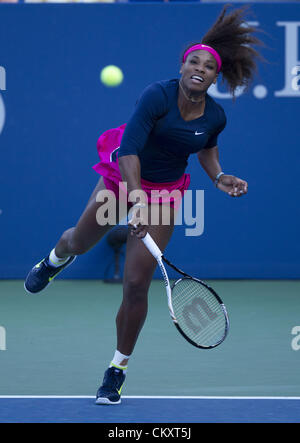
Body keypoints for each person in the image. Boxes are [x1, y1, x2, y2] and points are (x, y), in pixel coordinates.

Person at [24, 5, 262, 405]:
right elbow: (130, 148)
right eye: (193, 61)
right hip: (123, 178)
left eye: (207, 65)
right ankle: (54, 260)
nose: (199, 68)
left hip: (166, 193)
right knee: (79, 242)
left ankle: (116, 370)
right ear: (183, 67)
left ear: (215, 77)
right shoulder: (157, 95)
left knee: (135, 284)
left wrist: (219, 176)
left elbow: (205, 147)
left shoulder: (216, 116)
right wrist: (135, 199)